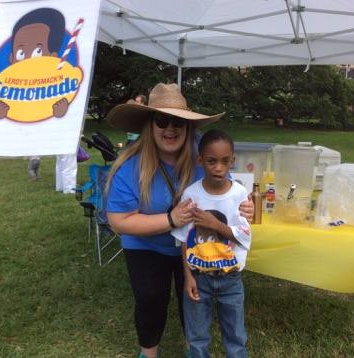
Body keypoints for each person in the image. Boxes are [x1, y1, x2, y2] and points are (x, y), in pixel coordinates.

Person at [105, 83, 253, 358]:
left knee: (194, 300)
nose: (170, 128)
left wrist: (245, 205)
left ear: (189, 128)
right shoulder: (131, 166)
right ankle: (148, 352)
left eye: (178, 122)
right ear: (150, 125)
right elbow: (118, 221)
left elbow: (227, 190)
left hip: (194, 245)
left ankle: (192, 348)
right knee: (150, 300)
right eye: (162, 120)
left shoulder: (202, 154)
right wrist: (171, 219)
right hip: (146, 245)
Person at [171, 129, 251, 357]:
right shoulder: (191, 195)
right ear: (200, 160)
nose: (218, 168)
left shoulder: (239, 194)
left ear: (233, 161)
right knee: (196, 337)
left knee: (236, 337)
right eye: (211, 161)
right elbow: (185, 240)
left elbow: (243, 236)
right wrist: (188, 277)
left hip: (231, 278)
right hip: (199, 277)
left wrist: (214, 224)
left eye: (225, 161)